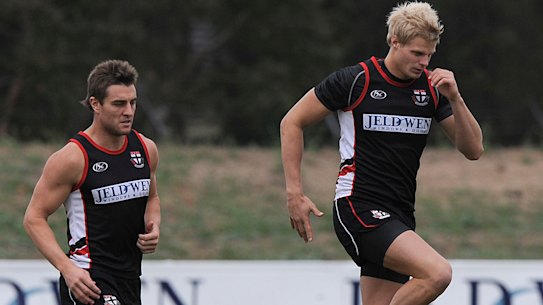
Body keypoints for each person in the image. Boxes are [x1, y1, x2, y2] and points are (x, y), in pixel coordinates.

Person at [280, 2, 483, 305]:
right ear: (394, 41)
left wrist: (455, 98)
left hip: (399, 215)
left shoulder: (430, 89)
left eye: (429, 55)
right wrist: (294, 193)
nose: (424, 62)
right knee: (437, 273)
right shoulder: (355, 81)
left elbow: (474, 150)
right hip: (359, 207)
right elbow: (291, 122)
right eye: (416, 53)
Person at [23, 59, 161, 305]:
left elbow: (151, 197)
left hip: (129, 278)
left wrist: (154, 226)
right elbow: (34, 218)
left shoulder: (145, 149)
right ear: (95, 104)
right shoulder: (73, 158)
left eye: (133, 102)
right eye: (118, 104)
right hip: (89, 279)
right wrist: (68, 269)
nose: (128, 111)